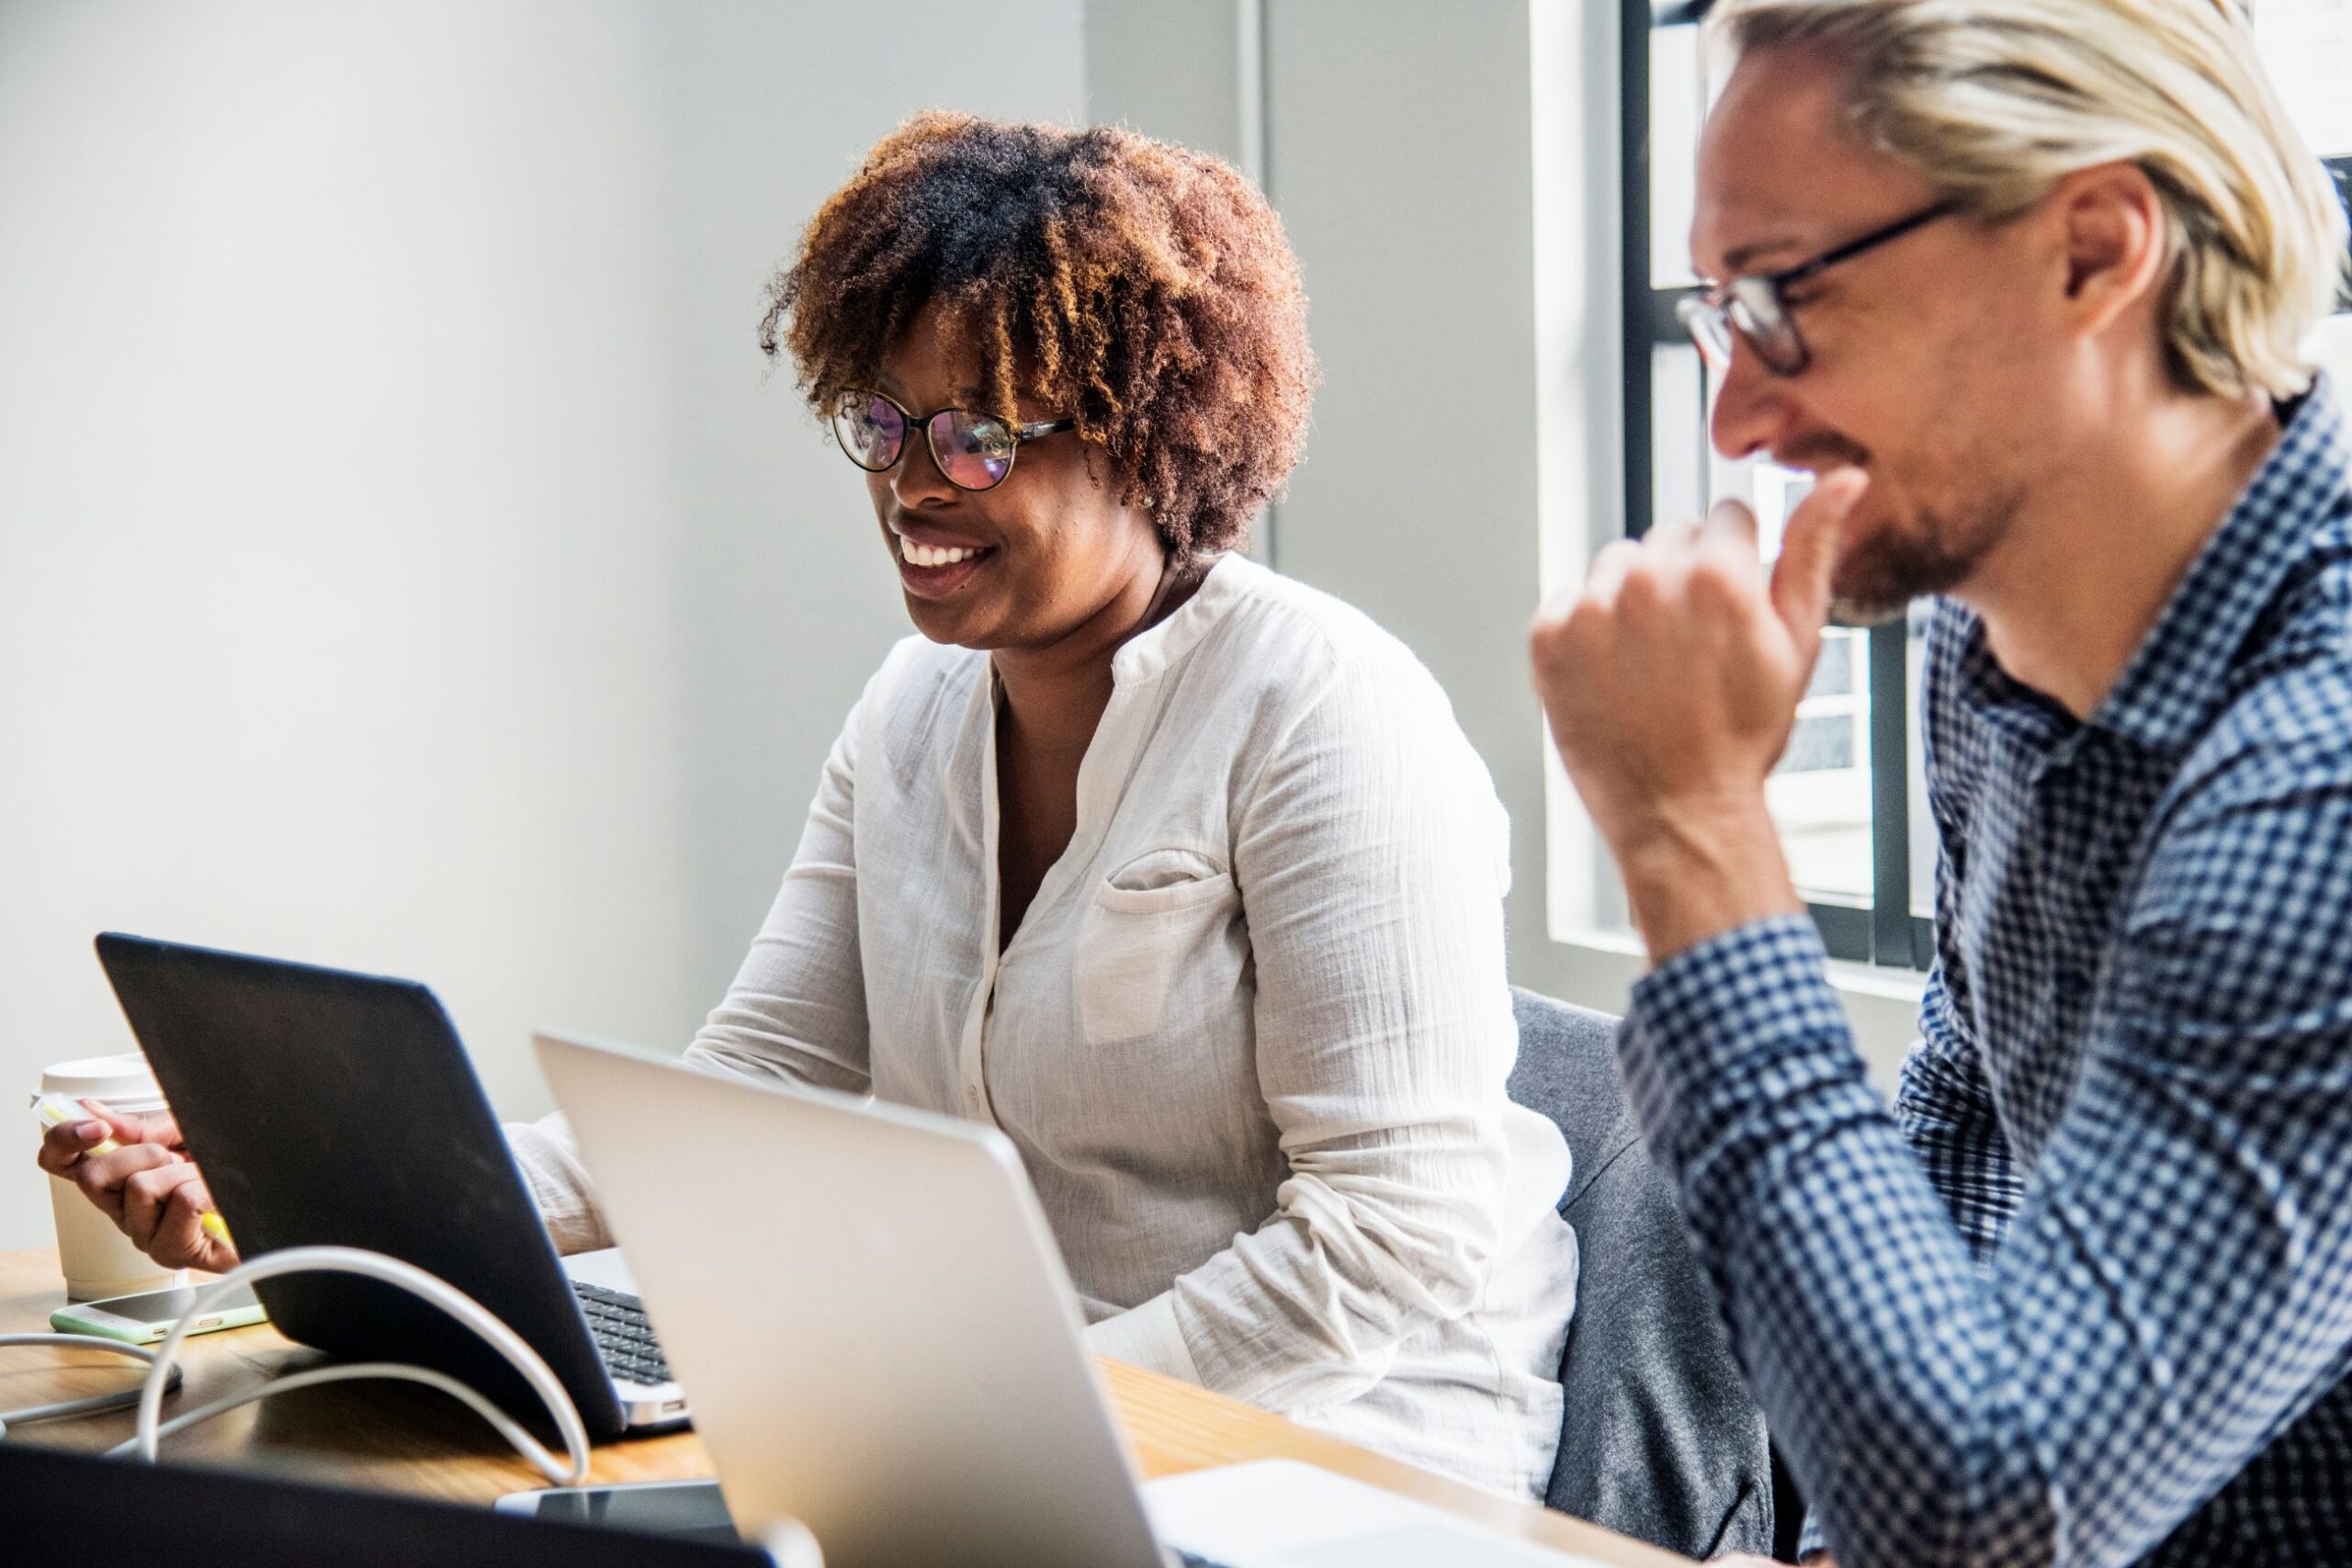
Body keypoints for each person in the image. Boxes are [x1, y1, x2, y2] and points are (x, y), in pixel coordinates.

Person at [42, 113, 1579, 1499]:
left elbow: (1392, 1240)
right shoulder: (910, 714)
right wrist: (315, 1201)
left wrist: (1021, 1413)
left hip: (1330, 1440)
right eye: (885, 422)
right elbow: (746, 1091)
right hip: (984, 1415)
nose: (914, 484)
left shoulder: (1324, 715)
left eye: (982, 431)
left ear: (1147, 429)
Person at [1532, 0, 2352, 1562]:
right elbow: (1974, 1121)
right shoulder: (1995, 658)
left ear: (2096, 250)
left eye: (1784, 301)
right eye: (1720, 313)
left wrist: (1694, 834)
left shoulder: (2320, 778)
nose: (1736, 418)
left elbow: (1992, 1517)